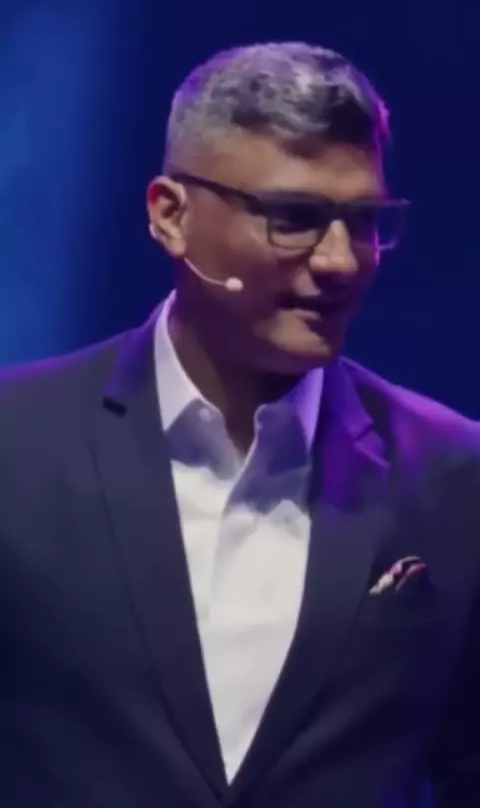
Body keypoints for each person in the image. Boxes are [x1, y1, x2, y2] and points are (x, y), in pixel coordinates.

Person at [1, 42, 479, 808]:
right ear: (171, 216)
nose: (341, 261)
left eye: (365, 222)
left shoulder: (454, 475)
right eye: (294, 219)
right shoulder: (16, 444)